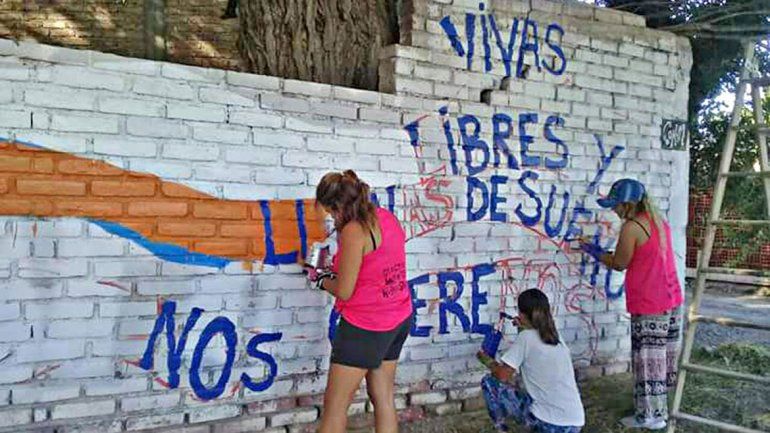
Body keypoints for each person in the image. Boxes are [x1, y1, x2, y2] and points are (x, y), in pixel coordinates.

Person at [306, 170, 413, 433]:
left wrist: (318, 277)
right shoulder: (386, 217)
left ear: (338, 205)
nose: (332, 219)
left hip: (366, 328)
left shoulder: (354, 231)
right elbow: (373, 268)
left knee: (334, 411)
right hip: (398, 317)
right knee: (383, 397)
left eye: (332, 212)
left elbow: (344, 291)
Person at [580, 178, 683, 430]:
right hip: (670, 297)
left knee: (647, 360)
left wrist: (592, 250)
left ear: (627, 204)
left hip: (650, 302)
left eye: (616, 205)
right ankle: (654, 410)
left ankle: (651, 417)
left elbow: (620, 263)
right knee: (659, 359)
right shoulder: (658, 221)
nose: (614, 210)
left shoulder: (632, 227)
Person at [477, 289, 585, 433]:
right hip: (575, 420)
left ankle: (502, 429)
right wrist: (523, 328)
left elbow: (502, 375)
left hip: (549, 423)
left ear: (521, 314)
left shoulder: (526, 338)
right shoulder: (555, 335)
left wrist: (487, 361)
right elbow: (532, 348)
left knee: (490, 382)